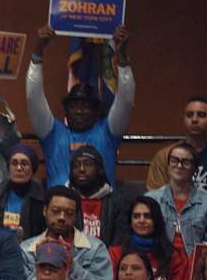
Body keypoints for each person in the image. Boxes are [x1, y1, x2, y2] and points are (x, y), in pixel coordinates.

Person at [25, 23, 135, 186]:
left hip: (101, 208)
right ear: (66, 110)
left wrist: (123, 57)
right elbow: (33, 97)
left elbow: (125, 100)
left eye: (85, 106)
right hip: (59, 209)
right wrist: (38, 51)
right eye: (74, 106)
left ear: (97, 110)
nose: (79, 111)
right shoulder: (53, 133)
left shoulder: (108, 132)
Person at [19, 186, 113, 280]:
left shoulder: (95, 248)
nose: (62, 217)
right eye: (56, 211)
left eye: (69, 213)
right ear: (45, 211)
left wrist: (72, 267)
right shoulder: (26, 249)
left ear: (76, 217)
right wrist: (41, 262)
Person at [144, 96, 207, 196]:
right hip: (169, 210)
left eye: (201, 115)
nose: (194, 119)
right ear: (183, 120)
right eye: (189, 115)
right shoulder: (163, 156)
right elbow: (155, 197)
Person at [108, 196, 192, 280]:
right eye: (136, 216)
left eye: (147, 216)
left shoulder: (173, 256)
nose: (141, 220)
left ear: (156, 220)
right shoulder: (115, 253)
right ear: (130, 221)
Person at [143, 141, 207, 257]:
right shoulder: (151, 199)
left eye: (186, 162)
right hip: (160, 262)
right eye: (174, 160)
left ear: (194, 168)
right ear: (168, 165)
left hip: (195, 265)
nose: (179, 165)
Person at [68, 147, 138, 247]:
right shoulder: (64, 202)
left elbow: (120, 242)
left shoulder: (117, 203)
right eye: (76, 166)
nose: (81, 169)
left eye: (87, 164)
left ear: (100, 169)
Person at [0, 142, 46, 239]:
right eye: (14, 163)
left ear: (32, 169)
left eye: (24, 163)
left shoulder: (43, 199)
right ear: (9, 168)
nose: (19, 168)